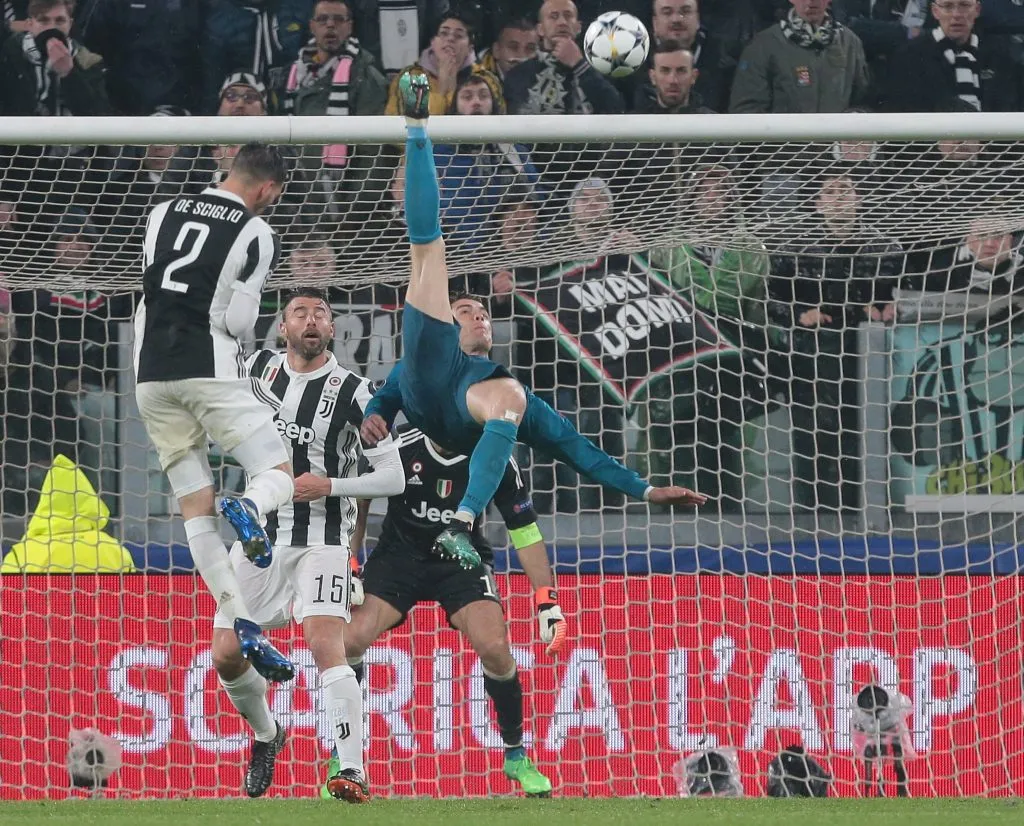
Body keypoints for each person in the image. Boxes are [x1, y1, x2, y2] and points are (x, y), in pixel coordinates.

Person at [360, 72, 706, 570]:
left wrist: (646, 489)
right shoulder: (436, 345)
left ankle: (462, 524)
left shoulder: (501, 387)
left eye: (482, 312)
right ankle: (418, 130)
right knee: (428, 249)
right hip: (429, 374)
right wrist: (377, 410)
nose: (479, 316)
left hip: (464, 415)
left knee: (515, 399)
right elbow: (390, 391)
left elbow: (579, 451)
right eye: (467, 312)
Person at [209, 287, 405, 801]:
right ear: (283, 327)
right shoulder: (256, 372)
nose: (311, 320)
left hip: (324, 538)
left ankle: (352, 769)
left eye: (321, 313)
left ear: (334, 329)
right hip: (262, 536)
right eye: (300, 312)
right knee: (227, 655)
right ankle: (268, 734)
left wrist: (331, 485)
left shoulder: (359, 393)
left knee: (325, 642)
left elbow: (394, 477)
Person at [323, 408, 562, 798]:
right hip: (399, 559)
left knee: (495, 647)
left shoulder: (494, 455)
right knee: (349, 641)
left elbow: (525, 529)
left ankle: (517, 755)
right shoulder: (398, 445)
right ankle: (343, 756)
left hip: (461, 559)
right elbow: (357, 503)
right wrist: (349, 563)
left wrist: (546, 599)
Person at [133, 143, 297, 686]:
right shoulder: (257, 232)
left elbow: (151, 293)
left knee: (196, 513)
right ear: (268, 190)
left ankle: (243, 623)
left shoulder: (160, 212)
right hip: (209, 368)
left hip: (150, 377)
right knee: (276, 470)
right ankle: (249, 506)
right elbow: (241, 320)